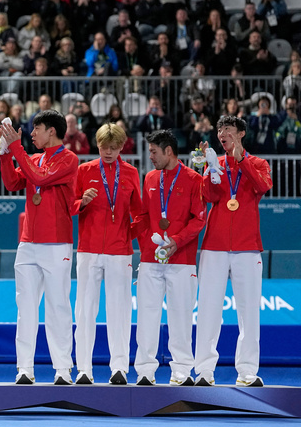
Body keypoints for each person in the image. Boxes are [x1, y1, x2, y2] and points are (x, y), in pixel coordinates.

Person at [0, 110, 80, 384]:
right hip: (28, 243)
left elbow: (42, 179)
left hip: (56, 243)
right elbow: (11, 182)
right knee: (26, 308)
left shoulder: (69, 159)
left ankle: (62, 370)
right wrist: (4, 154)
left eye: (37, 129)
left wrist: (16, 148)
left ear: (52, 132)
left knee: (57, 306)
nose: (32, 134)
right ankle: (24, 369)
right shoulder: (32, 158)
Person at [194, 116, 272, 387]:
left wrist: (242, 161)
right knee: (207, 310)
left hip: (248, 247)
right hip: (214, 245)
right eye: (219, 130)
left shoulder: (259, 163)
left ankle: (247, 372)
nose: (221, 134)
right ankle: (204, 371)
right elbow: (209, 196)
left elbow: (262, 186)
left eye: (227, 130)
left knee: (249, 311)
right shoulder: (214, 162)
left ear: (240, 133)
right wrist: (210, 169)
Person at [132, 129, 207, 386]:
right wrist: (145, 246)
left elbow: (199, 219)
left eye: (154, 151)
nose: (150, 156)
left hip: (182, 260)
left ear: (168, 151)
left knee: (182, 316)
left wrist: (177, 241)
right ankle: (144, 371)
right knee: (146, 316)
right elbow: (142, 216)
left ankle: (182, 371)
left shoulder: (194, 179)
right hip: (151, 260)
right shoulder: (150, 178)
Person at [70, 123, 142, 385]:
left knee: (120, 310)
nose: (108, 152)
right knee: (85, 311)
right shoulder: (84, 171)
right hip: (88, 250)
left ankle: (119, 368)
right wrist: (82, 203)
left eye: (113, 148)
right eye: (103, 147)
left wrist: (127, 236)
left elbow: (140, 214)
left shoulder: (132, 173)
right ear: (96, 145)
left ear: (122, 147)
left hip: (120, 252)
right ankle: (84, 370)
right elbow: (69, 207)